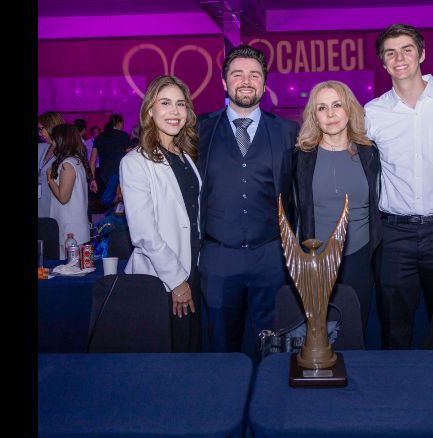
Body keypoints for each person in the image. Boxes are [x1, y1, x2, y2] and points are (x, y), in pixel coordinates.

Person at [364, 23, 433, 349]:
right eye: (390, 53)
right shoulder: (372, 113)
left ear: (422, 54)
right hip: (394, 235)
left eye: (407, 49)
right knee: (394, 326)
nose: (400, 58)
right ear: (383, 63)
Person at [197, 45, 299, 353]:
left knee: (272, 344)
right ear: (224, 82)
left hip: (271, 256)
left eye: (254, 74)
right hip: (218, 256)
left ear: (264, 84)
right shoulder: (199, 129)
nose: (246, 80)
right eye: (237, 74)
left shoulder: (287, 131)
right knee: (220, 343)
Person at [119, 75, 202, 352]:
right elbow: (144, 234)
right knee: (167, 359)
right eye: (165, 103)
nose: (174, 111)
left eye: (180, 104)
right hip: (163, 279)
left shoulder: (186, 156)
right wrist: (177, 281)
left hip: (194, 270)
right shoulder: (135, 162)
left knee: (191, 351)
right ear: (149, 110)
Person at [293, 80, 381, 332]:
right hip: (315, 258)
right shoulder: (301, 157)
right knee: (318, 333)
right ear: (314, 115)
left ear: (349, 109)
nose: (330, 114)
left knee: (356, 328)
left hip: (359, 256)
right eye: (322, 108)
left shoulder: (369, 153)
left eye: (336, 105)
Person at [46, 124, 92, 257]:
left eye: (54, 139)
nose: (52, 142)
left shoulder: (67, 164)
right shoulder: (76, 161)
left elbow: (63, 197)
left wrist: (50, 178)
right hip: (74, 225)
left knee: (69, 270)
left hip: (70, 227)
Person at [90, 113, 129, 195]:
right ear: (119, 123)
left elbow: (92, 161)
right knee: (119, 201)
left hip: (103, 175)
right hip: (120, 174)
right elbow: (130, 157)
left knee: (107, 201)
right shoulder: (124, 136)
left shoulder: (99, 137)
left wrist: (92, 179)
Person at [38, 111, 64, 218]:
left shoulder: (64, 151)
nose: (39, 133)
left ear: (50, 126)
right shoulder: (41, 147)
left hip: (53, 204)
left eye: (41, 129)